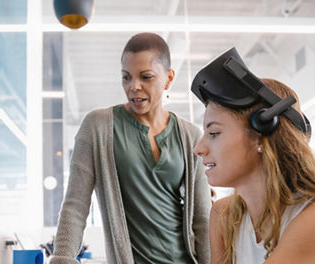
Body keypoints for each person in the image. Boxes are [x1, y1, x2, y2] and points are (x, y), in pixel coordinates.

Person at [50, 32, 212, 264]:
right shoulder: (98, 126)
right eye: (126, 77)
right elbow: (76, 205)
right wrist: (62, 258)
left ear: (168, 78)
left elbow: (202, 218)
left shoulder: (190, 135)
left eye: (146, 77)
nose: (134, 86)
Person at [191, 47, 315, 264]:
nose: (199, 148)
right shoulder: (224, 216)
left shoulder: (310, 217)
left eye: (214, 133)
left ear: (260, 134)